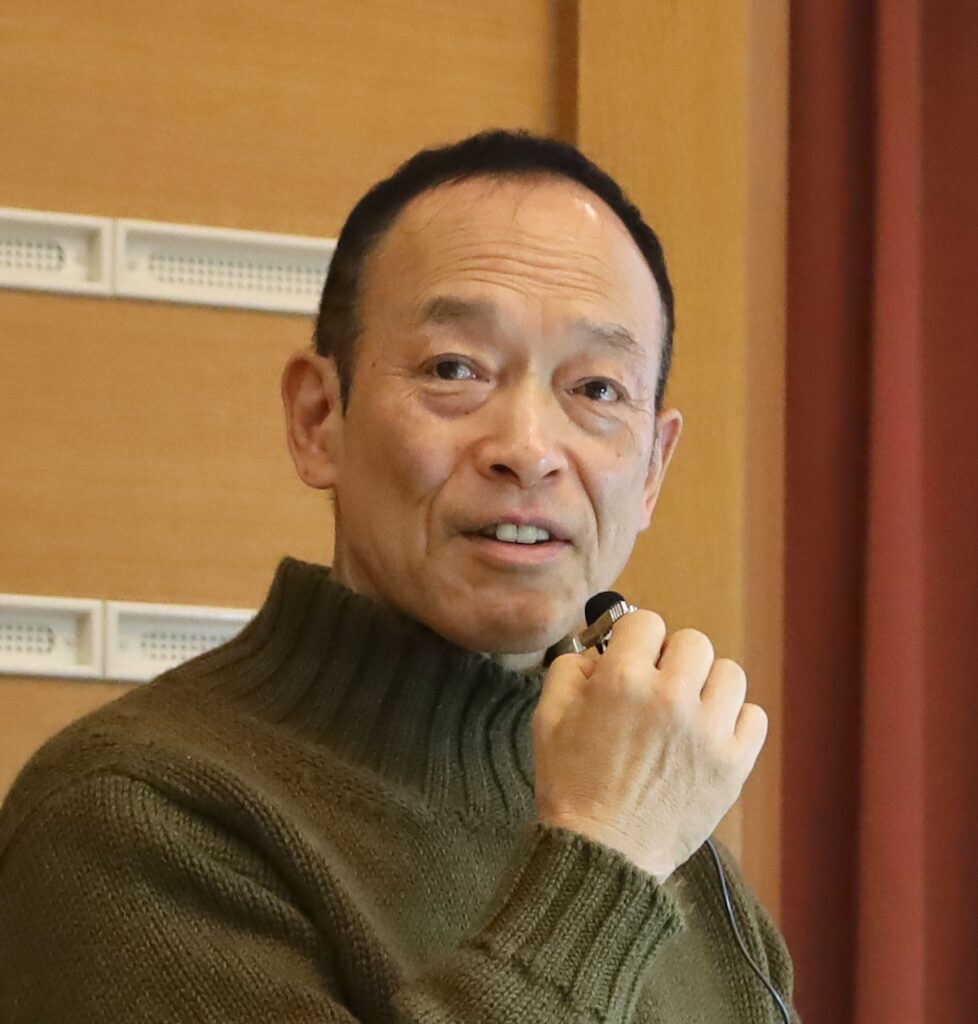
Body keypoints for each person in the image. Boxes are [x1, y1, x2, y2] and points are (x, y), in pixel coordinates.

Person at [0, 130, 796, 1022]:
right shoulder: (129, 815)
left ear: (652, 468)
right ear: (317, 418)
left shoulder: (668, 834)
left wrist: (622, 836)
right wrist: (603, 859)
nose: (528, 448)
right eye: (455, 369)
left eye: (597, 390)